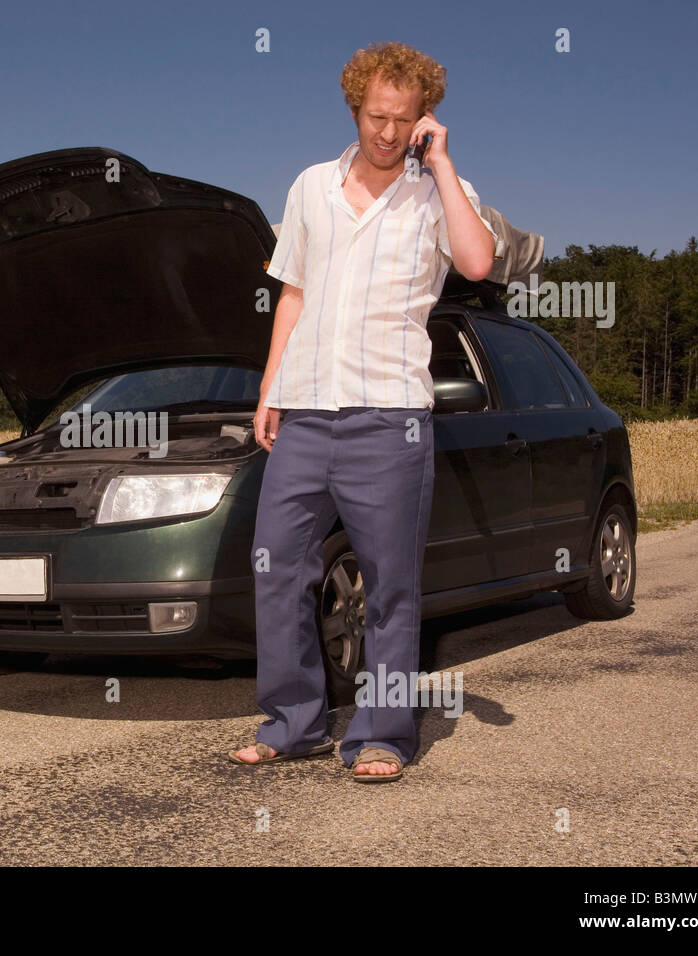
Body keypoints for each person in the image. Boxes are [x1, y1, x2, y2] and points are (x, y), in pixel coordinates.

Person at [229, 43, 496, 781]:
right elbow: (294, 293)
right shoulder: (310, 186)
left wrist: (441, 166)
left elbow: (476, 262)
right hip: (307, 411)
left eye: (402, 119)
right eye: (376, 116)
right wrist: (269, 386)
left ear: (423, 120)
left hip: (390, 419)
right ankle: (293, 723)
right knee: (277, 567)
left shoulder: (442, 191)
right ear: (355, 107)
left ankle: (380, 735)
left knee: (389, 581)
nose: (386, 131)